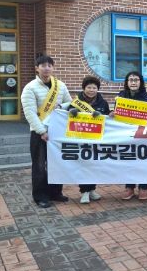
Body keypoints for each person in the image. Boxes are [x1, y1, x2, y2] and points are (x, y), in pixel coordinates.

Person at [21, 55, 72, 208]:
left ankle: (55, 193)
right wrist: (42, 131)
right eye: (43, 65)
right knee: (39, 166)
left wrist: (61, 106)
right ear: (37, 68)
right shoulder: (30, 87)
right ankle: (40, 196)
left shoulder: (60, 85)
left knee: (57, 163)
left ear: (53, 68)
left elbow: (69, 102)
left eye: (49, 65)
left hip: (57, 132)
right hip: (39, 134)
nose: (47, 68)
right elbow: (29, 113)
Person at [68, 75, 110, 204]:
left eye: (94, 88)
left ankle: (92, 190)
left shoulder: (103, 103)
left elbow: (108, 119)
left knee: (95, 165)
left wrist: (102, 116)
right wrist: (72, 112)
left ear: (97, 89)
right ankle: (84, 192)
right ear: (84, 88)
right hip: (81, 138)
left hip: (97, 139)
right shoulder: (76, 102)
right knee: (83, 165)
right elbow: (67, 115)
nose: (91, 90)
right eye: (89, 87)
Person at [118, 71, 147, 201]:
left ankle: (143, 187)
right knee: (129, 161)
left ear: (141, 82)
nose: (133, 82)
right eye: (131, 80)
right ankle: (129, 187)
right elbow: (117, 112)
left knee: (144, 162)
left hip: (143, 135)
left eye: (136, 80)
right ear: (127, 82)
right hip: (126, 135)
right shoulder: (121, 95)